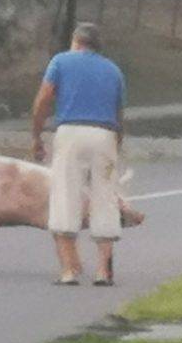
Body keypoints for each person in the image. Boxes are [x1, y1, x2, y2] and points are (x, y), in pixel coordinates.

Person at [30, 22, 126, 287]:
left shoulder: (61, 61)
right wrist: (118, 142)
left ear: (75, 41)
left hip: (71, 132)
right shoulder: (114, 70)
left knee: (65, 195)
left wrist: (36, 136)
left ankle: (69, 270)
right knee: (104, 197)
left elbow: (43, 99)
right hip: (105, 134)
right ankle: (104, 271)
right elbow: (119, 112)